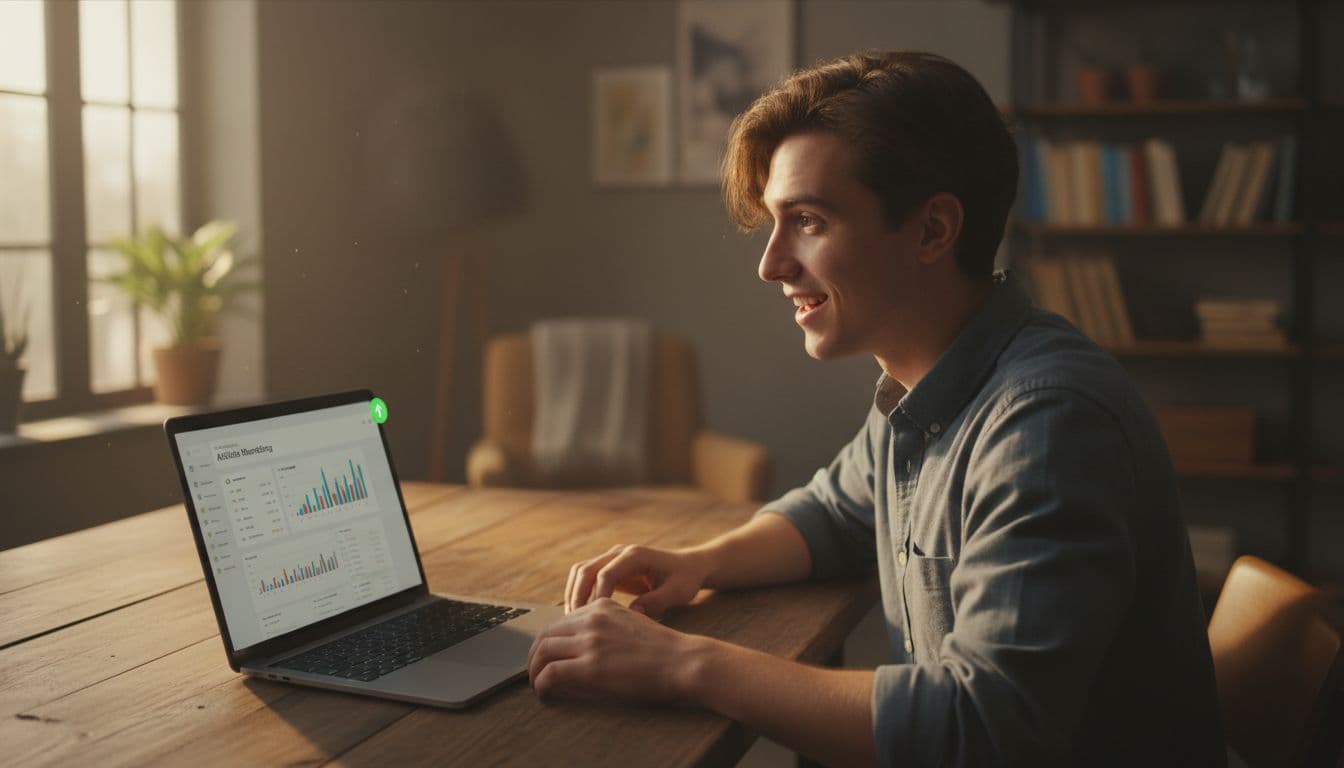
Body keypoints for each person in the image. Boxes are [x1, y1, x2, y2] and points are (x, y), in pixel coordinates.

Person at [527, 51, 1225, 767]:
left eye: (808, 221)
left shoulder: (1045, 422)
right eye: (774, 222)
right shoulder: (932, 386)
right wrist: (694, 563)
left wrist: (682, 664)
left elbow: (985, 728)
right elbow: (830, 514)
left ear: (932, 231)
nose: (771, 264)